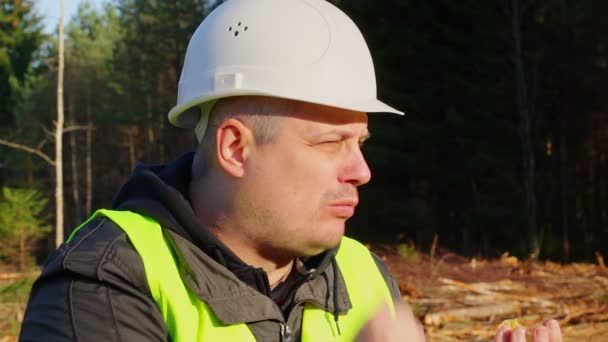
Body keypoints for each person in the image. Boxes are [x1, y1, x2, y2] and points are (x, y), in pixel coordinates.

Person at [20, 0, 562, 341]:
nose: (362, 171)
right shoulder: (102, 281)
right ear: (235, 147)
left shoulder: (361, 273)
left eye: (361, 142)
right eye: (331, 143)